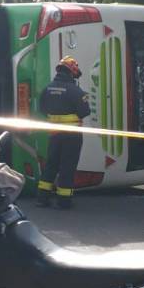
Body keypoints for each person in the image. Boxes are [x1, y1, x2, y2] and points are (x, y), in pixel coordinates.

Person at [37, 56, 90, 209]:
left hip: (54, 134)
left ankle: (42, 198)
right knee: (67, 166)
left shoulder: (48, 89)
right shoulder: (75, 91)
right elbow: (85, 111)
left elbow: (42, 109)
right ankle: (64, 200)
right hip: (72, 136)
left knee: (51, 164)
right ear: (72, 71)